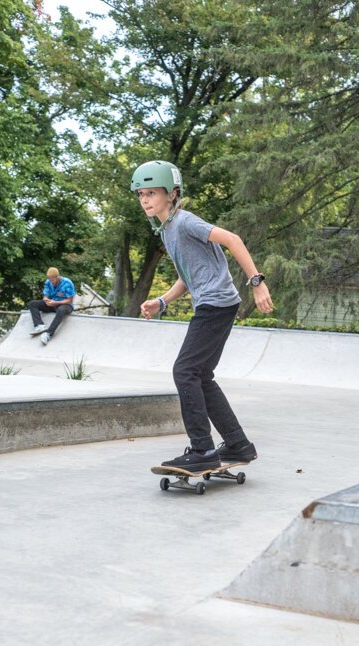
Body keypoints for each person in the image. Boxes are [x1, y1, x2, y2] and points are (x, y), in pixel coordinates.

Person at [131, 160, 273, 471]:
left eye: (152, 193)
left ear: (172, 193)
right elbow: (189, 276)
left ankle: (202, 450)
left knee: (184, 372)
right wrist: (162, 301)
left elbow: (232, 239)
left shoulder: (185, 222)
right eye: (141, 194)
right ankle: (237, 444)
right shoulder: (168, 230)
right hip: (218, 304)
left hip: (215, 304)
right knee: (200, 376)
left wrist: (257, 282)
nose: (145, 200)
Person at [28, 267, 76, 345]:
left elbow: (69, 300)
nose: (51, 282)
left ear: (57, 277)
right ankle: (39, 325)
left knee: (61, 310)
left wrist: (56, 302)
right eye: (50, 280)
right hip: (52, 303)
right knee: (32, 304)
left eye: (52, 280)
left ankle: (48, 334)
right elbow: (45, 295)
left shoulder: (67, 283)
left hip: (65, 305)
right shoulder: (48, 282)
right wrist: (46, 299)